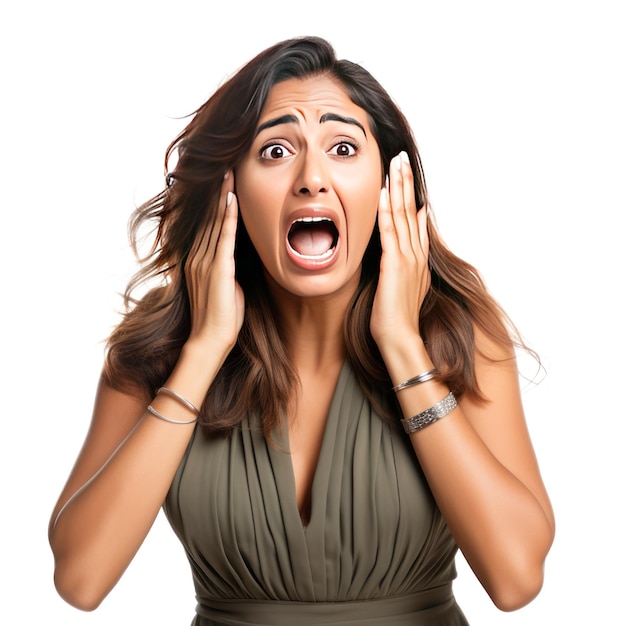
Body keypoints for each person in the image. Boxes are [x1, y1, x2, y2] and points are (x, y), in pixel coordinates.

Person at [48, 36, 555, 625]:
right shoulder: (160, 345)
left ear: (391, 188)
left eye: (343, 147)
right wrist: (204, 349)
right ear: (228, 189)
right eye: (275, 151)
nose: (312, 178)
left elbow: (517, 579)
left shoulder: (457, 333)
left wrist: (401, 344)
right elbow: (80, 580)